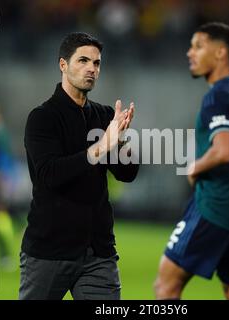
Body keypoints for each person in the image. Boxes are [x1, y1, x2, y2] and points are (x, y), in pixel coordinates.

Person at [19, 32, 139, 300]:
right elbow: (50, 174)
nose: (91, 69)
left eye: (96, 63)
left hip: (98, 254)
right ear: (63, 65)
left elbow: (127, 174)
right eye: (83, 61)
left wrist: (120, 142)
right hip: (48, 251)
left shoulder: (105, 115)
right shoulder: (42, 118)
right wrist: (100, 147)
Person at [154, 22, 229, 300]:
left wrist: (196, 166)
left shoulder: (217, 94)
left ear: (220, 53)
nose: (190, 53)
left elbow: (225, 150)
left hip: (215, 206)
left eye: (198, 46)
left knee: (166, 285)